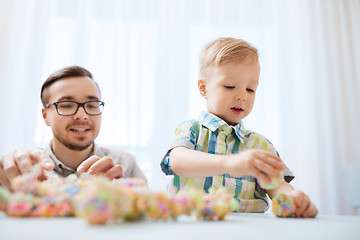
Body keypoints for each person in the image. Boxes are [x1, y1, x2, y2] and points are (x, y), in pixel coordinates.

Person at [160, 37, 318, 218]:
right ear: (203, 89)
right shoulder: (191, 130)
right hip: (193, 226)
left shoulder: (260, 145)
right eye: (230, 86)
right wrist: (229, 163)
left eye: (250, 89)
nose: (242, 96)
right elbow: (177, 161)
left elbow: (278, 188)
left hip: (249, 230)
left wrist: (294, 200)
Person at [0, 66, 146, 191]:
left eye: (91, 105)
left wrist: (123, 197)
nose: (82, 115)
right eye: (66, 105)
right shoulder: (23, 170)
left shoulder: (125, 165)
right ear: (45, 116)